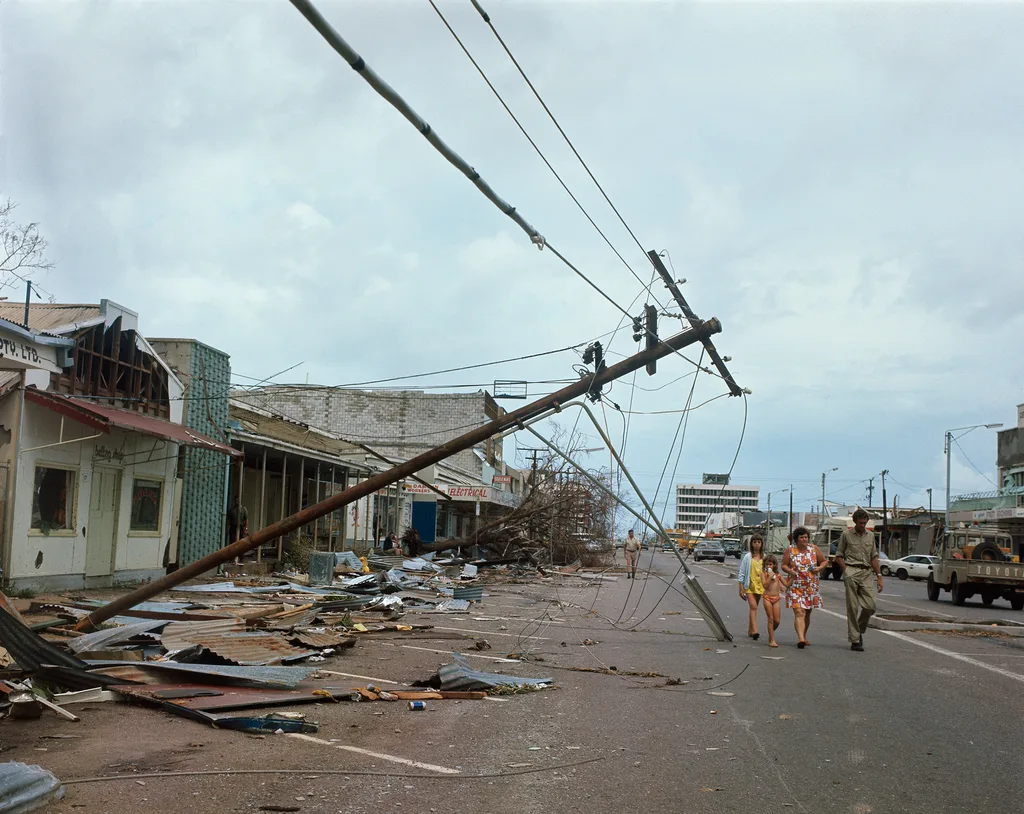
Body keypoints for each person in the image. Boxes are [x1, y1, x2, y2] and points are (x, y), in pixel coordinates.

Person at [835, 508, 883, 652]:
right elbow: (839, 556)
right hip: (852, 570)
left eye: (865, 523)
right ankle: (855, 639)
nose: (863, 525)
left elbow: (874, 557)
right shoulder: (846, 535)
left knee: (870, 606)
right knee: (853, 607)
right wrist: (846, 571)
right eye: (860, 523)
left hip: (867, 572)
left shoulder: (870, 536)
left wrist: (879, 576)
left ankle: (860, 629)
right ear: (855, 522)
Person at [781, 526, 827, 649]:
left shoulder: (814, 549)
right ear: (796, 539)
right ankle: (800, 638)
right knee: (799, 611)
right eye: (801, 537)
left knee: (807, 612)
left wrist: (819, 568)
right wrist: (789, 570)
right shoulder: (790, 550)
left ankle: (804, 635)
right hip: (795, 585)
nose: (804, 539)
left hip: (810, 586)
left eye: (806, 537)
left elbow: (823, 561)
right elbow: (783, 565)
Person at [736, 534, 766, 640]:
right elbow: (742, 573)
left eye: (759, 542)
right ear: (751, 544)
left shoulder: (764, 557)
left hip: (760, 586)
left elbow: (768, 571)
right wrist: (741, 587)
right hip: (749, 586)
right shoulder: (748, 557)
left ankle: (750, 629)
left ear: (762, 544)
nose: (756, 544)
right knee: (753, 606)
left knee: (754, 607)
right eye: (754, 542)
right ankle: (755, 631)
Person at [761, 555, 789, 648]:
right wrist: (769, 577)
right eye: (767, 564)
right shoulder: (763, 574)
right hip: (767, 597)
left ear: (774, 565)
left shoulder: (778, 575)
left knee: (777, 620)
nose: (769, 566)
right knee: (770, 618)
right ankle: (772, 640)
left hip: (776, 598)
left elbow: (787, 584)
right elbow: (765, 585)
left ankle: (770, 633)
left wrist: (793, 575)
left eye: (770, 564)